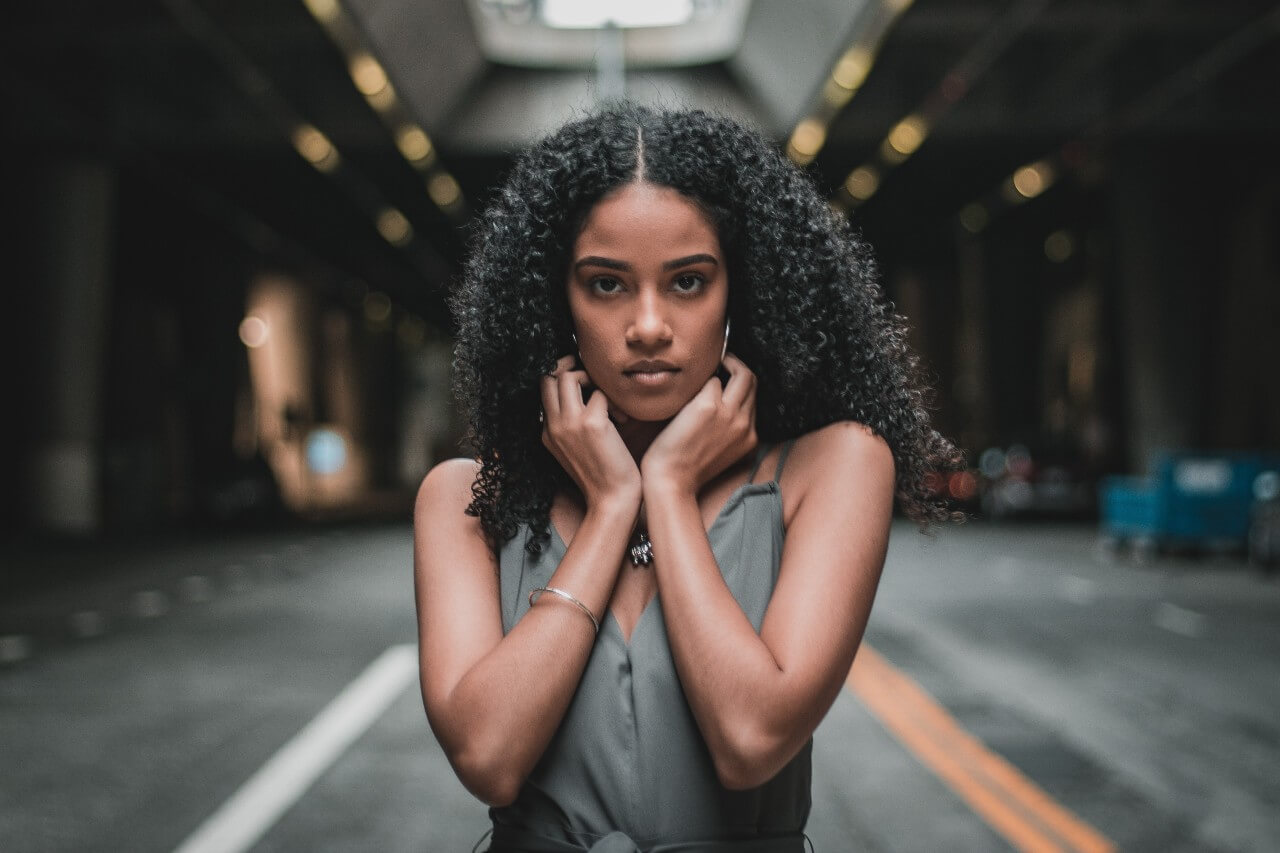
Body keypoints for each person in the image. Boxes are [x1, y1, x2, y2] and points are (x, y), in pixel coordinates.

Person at [414, 103, 962, 852]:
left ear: (740, 291)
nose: (647, 324)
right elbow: (488, 757)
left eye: (688, 282)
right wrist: (613, 505)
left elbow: (750, 737)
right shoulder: (465, 499)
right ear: (556, 300)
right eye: (607, 284)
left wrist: (668, 488)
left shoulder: (833, 465)